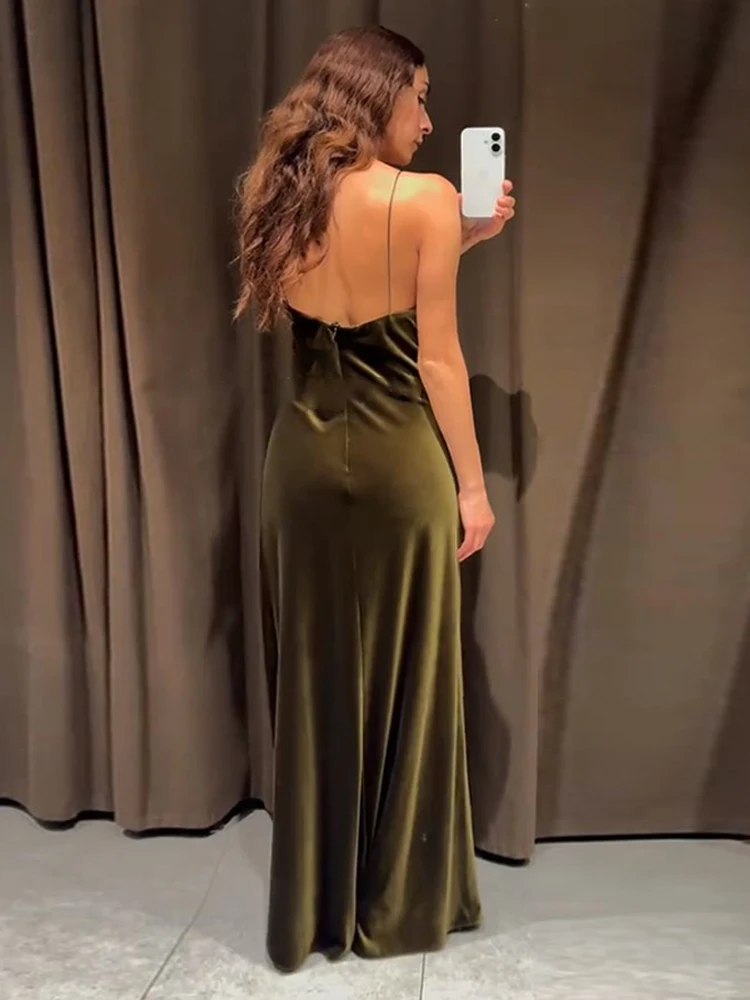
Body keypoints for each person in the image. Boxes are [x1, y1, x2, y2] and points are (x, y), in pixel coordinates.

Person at [234, 25, 516, 973]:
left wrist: (465, 240)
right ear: (377, 95)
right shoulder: (424, 198)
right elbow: (434, 360)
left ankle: (316, 906)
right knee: (411, 675)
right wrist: (473, 487)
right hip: (401, 466)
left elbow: (353, 301)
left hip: (302, 466)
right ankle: (396, 901)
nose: (429, 122)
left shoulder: (281, 194)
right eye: (420, 99)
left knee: (317, 680)